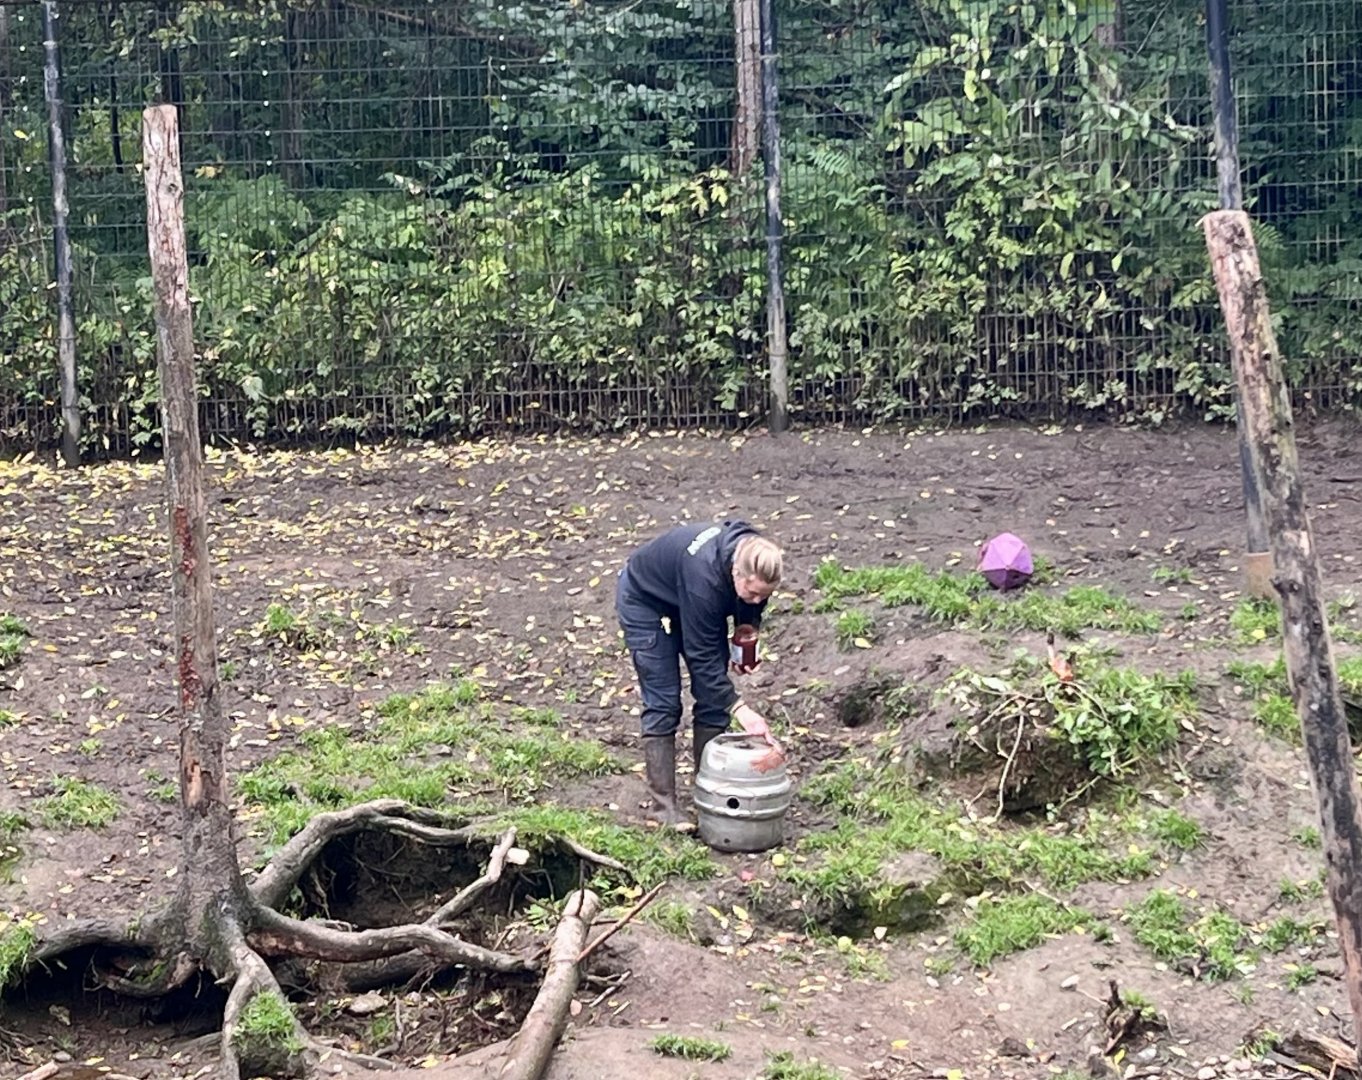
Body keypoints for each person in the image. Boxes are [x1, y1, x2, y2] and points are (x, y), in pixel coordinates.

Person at [614, 519, 782, 825]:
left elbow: (749, 607)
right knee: (664, 701)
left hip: (687, 596)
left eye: (764, 595)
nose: (758, 600)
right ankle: (662, 809)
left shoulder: (757, 558)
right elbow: (702, 659)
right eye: (752, 592)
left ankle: (708, 792)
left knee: (713, 699)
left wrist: (746, 637)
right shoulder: (704, 580)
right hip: (645, 599)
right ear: (735, 572)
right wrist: (742, 710)